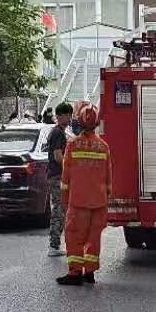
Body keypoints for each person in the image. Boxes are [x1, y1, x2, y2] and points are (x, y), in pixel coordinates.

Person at [57, 104, 111, 285]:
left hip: (78, 202)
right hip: (99, 202)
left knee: (74, 236)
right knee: (93, 237)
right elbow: (108, 178)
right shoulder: (103, 147)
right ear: (96, 124)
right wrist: (106, 198)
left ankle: (75, 273)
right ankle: (90, 272)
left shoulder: (72, 145)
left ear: (79, 122)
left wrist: (65, 203)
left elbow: (66, 178)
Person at [44, 101, 73, 256]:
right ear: (60, 116)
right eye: (67, 115)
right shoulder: (58, 133)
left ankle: (55, 245)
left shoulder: (58, 131)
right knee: (59, 211)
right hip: (57, 176)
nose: (70, 119)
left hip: (55, 175)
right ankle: (54, 246)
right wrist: (67, 171)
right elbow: (57, 155)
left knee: (60, 209)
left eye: (70, 115)